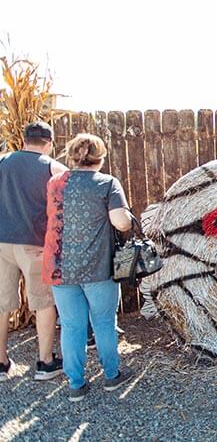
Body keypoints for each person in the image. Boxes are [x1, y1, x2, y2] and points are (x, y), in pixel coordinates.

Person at [42, 133, 134, 402]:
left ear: (71, 156)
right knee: (104, 322)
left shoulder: (54, 183)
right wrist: (126, 215)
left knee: (71, 326)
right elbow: (121, 223)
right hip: (97, 267)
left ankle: (76, 383)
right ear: (101, 158)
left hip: (60, 267)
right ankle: (111, 376)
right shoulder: (107, 183)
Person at [0, 121, 67, 381]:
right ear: (49, 143)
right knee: (43, 302)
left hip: (1, 242)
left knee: (2, 303)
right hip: (35, 244)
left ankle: (1, 363)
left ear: (24, 140)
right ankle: (45, 362)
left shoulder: (3, 162)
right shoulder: (53, 167)